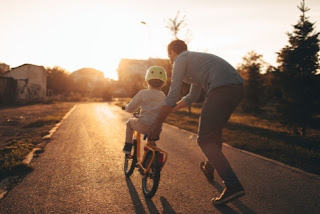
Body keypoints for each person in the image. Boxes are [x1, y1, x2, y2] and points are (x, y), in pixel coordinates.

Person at [147, 40, 245, 205]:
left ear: (171, 52)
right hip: (237, 88)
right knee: (213, 135)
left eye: (168, 54)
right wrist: (170, 111)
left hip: (221, 89)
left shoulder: (181, 60)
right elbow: (191, 97)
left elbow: (173, 94)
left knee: (204, 139)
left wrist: (158, 122)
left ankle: (233, 184)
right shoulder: (195, 62)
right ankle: (209, 166)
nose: (169, 58)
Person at [122, 66, 167, 154]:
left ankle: (127, 147)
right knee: (151, 143)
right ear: (162, 83)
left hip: (144, 125)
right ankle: (150, 158)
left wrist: (126, 107)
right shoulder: (163, 95)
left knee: (129, 123)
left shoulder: (143, 93)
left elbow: (131, 107)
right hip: (157, 128)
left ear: (147, 81)